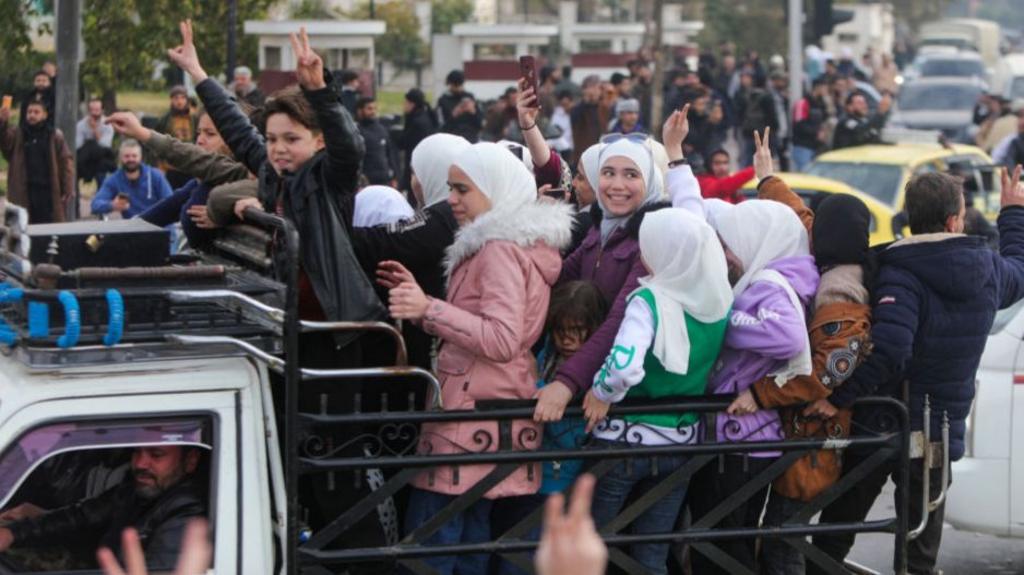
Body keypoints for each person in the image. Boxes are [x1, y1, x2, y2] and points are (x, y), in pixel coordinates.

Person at [809, 167, 1024, 575]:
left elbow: (891, 349)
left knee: (836, 532)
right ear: (954, 220)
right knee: (919, 549)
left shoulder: (897, 268)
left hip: (882, 420)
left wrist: (837, 398)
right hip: (938, 429)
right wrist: (1013, 213)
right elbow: (1020, 266)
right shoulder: (989, 271)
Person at [381, 142, 573, 574]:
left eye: (463, 189)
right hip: (490, 412)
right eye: (451, 187)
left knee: (432, 548)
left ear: (495, 188)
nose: (451, 200)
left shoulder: (498, 250)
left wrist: (428, 309)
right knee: (470, 546)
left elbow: (502, 338)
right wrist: (423, 301)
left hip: (471, 417)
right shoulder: (510, 245)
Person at [728, 132, 874, 575]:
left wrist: (761, 393)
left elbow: (826, 372)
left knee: (782, 537)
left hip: (811, 431)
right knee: (760, 534)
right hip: (790, 429)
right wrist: (767, 177)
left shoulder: (841, 294)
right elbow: (802, 218)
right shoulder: (829, 256)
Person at [689, 131, 819, 575]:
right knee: (728, 538)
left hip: (743, 439)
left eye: (731, 242)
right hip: (744, 434)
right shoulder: (777, 274)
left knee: (722, 543)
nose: (725, 252)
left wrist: (727, 320)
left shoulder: (769, 283)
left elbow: (786, 338)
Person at [585, 206, 732, 575]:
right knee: (651, 552)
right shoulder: (718, 303)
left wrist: (601, 392)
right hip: (679, 439)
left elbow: (623, 366)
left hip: (623, 437)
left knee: (591, 544)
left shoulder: (648, 300)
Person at [0, 446, 206, 572]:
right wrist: (12, 533)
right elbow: (83, 516)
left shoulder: (186, 512)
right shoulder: (137, 491)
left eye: (156, 454)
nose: (141, 463)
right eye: (137, 452)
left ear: (190, 461)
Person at [106, 110, 249, 250]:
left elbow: (188, 157)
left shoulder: (238, 178)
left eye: (210, 134)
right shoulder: (202, 182)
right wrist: (118, 233)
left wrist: (223, 215)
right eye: (199, 133)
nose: (199, 140)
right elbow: (162, 212)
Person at [0, 100, 74, 223]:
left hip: (48, 191)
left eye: (36, 112)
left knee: (50, 228)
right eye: (29, 112)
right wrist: (3, 122)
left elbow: (66, 161)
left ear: (44, 115)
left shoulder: (54, 136)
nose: (32, 115)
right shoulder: (18, 133)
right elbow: (5, 143)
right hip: (24, 189)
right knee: (22, 227)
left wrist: (68, 186)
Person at [91, 139, 175, 219]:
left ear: (141, 157)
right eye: (127, 156)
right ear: (120, 158)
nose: (131, 159)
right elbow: (95, 205)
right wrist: (112, 205)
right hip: (132, 228)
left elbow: (171, 203)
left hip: (159, 227)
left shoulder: (156, 176)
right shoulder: (114, 179)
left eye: (134, 156)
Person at [154, 85, 199, 189]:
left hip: (191, 165)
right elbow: (158, 144)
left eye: (183, 98)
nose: (179, 101)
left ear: (187, 99)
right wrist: (160, 166)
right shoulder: (164, 120)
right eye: (176, 98)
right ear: (171, 100)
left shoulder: (195, 119)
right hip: (171, 167)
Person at [399, 88, 438, 195]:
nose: (404, 105)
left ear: (412, 104)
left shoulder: (417, 122)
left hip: (416, 171)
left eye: (405, 102)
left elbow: (404, 143)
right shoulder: (426, 117)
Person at [355, 96, 399, 186]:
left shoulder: (382, 129)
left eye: (375, 108)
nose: (373, 112)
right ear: (360, 111)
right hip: (365, 182)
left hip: (384, 180)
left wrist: (395, 176)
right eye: (369, 109)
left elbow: (390, 153)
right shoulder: (355, 132)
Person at [792, 78, 830, 171]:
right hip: (803, 146)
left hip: (816, 146)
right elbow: (798, 124)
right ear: (818, 88)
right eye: (825, 88)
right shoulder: (803, 103)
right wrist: (816, 133)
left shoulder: (822, 103)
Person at [437, 70, 482, 143]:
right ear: (450, 84)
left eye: (460, 84)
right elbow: (440, 127)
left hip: (471, 139)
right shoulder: (443, 100)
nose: (458, 88)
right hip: (452, 140)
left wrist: (473, 112)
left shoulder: (470, 97)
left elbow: (480, 124)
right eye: (455, 85)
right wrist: (454, 115)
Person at [570, 75, 606, 165]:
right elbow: (574, 120)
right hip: (583, 154)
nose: (594, 92)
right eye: (591, 88)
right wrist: (585, 102)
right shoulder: (577, 108)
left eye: (597, 88)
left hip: (602, 153)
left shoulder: (604, 107)